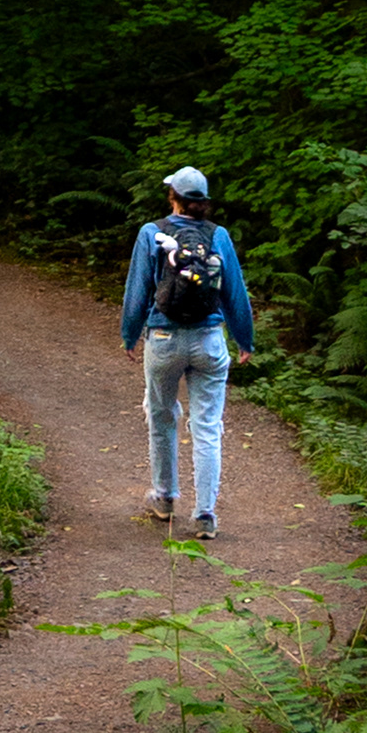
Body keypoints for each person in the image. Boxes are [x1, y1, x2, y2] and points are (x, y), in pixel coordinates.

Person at [120, 160, 254, 544]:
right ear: (204, 202)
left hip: (162, 340)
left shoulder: (151, 232)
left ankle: (164, 499)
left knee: (162, 417)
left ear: (172, 197)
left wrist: (130, 335)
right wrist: (245, 339)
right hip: (209, 340)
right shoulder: (219, 236)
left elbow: (137, 292)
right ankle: (206, 514)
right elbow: (235, 294)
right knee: (208, 427)